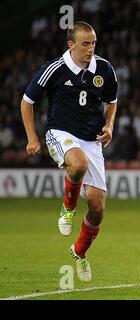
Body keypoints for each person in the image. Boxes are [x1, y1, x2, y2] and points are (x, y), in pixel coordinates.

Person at [20, 21, 118, 281]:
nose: (90, 48)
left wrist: (109, 124)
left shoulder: (105, 69)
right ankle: (68, 207)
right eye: (85, 44)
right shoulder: (54, 69)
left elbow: (112, 101)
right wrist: (32, 137)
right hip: (60, 133)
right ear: (71, 44)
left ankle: (79, 252)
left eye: (94, 43)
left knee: (97, 208)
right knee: (78, 164)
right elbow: (27, 102)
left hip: (92, 140)